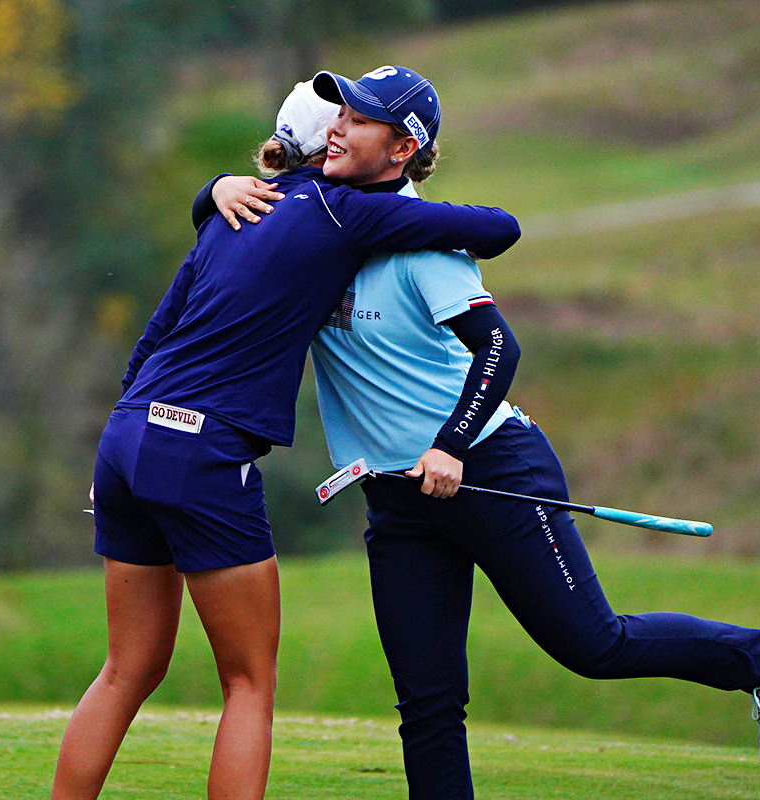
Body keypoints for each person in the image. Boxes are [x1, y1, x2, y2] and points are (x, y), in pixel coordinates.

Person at [201, 66, 760, 799]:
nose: (335, 126)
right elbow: (237, 217)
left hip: (489, 468)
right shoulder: (324, 222)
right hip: (397, 497)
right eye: (337, 114)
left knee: (593, 644)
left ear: (403, 148)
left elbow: (500, 348)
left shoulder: (421, 244)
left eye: (358, 120)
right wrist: (215, 187)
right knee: (427, 704)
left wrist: (451, 445)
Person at [50, 76, 521, 800]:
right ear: (328, 142)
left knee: (125, 669)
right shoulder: (348, 211)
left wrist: (214, 189)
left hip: (127, 438)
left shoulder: (229, 216)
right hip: (202, 452)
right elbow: (498, 228)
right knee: (247, 683)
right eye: (344, 123)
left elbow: (153, 337)